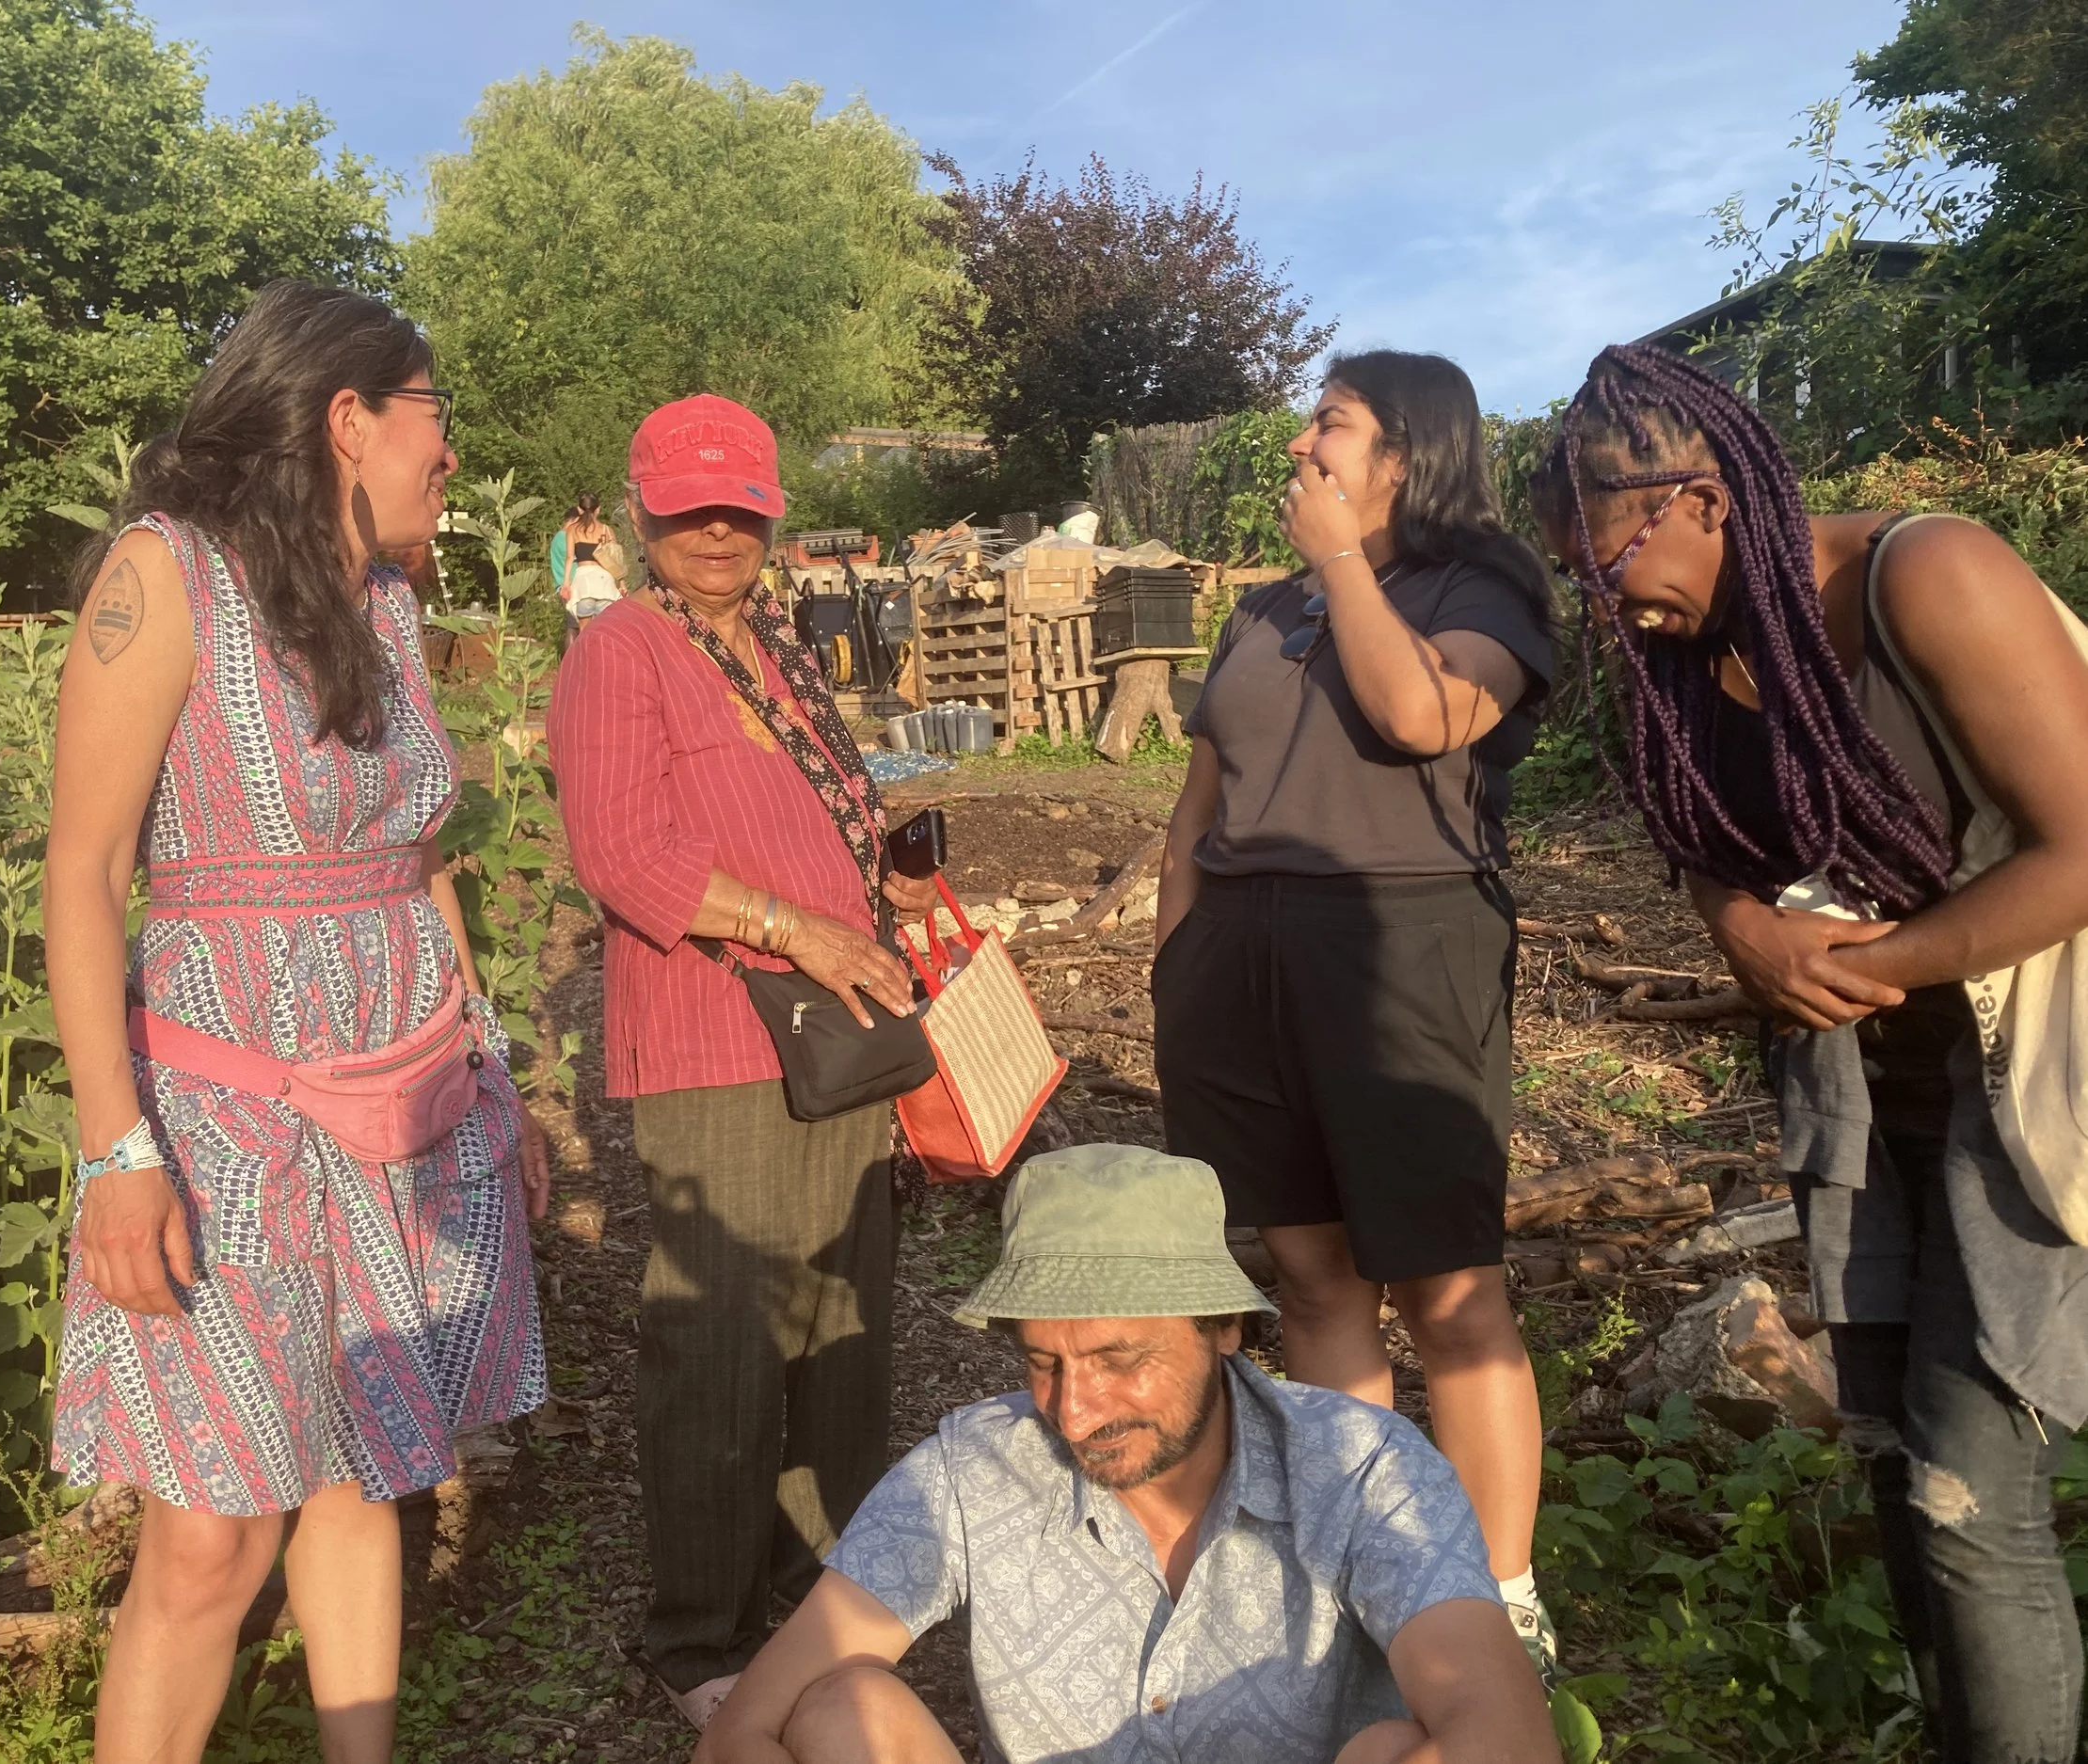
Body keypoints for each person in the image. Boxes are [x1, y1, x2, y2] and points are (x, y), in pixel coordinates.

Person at [1531, 341, 2088, 1764]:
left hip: (2030, 1072)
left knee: (1973, 1494)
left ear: (1703, 499)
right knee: (1897, 1456)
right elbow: (1704, 841)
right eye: (1583, 582)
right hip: (1868, 1087)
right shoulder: (1695, 644)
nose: (1609, 608)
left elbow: (2080, 849)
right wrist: (1737, 925)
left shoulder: (1928, 578)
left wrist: (1861, 966)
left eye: (1612, 564)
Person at [44, 280, 552, 1764]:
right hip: (226, 1114)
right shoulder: (165, 573)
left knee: (365, 1461)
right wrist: (114, 1151)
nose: (449, 452)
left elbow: (420, 856)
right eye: (434, 414)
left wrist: (489, 1068)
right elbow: (84, 869)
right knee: (209, 1532)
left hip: (405, 1095)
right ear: (348, 417)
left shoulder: (383, 596)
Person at [1151, 350, 1558, 1664]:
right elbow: (1197, 811)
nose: (1298, 445)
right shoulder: (1260, 609)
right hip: (1241, 954)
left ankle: (1500, 1602)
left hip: (1402, 945)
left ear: (1407, 452)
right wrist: (1177, 966)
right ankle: (1370, 1570)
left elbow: (1423, 714)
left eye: (1328, 423)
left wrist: (1341, 563)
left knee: (1447, 1288)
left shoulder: (1481, 586)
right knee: (1316, 1276)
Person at [698, 1144, 1561, 1764]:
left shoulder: (1359, 1466)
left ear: (1225, 1327)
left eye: (1120, 1358)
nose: (1075, 1412)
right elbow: (744, 1728)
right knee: (843, 1708)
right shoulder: (973, 1471)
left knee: (1395, 1749)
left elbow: (1509, 1735)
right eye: (1044, 1362)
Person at [544, 392, 939, 1731]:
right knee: (723, 1333)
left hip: (830, 1032)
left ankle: (815, 1590)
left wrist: (881, 881)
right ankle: (698, 1632)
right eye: (688, 509)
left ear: (771, 514)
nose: (717, 531)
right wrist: (798, 926)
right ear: (642, 513)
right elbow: (623, 854)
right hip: (721, 1033)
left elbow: (798, 810)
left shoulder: (773, 646)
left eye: (740, 508)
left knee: (837, 1321)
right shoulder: (622, 652)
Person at [550, 490, 618, 604]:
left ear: (579, 509)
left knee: (583, 614)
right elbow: (616, 559)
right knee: (606, 614)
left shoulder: (572, 531)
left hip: (583, 582)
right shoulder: (607, 530)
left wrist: (565, 583)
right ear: (598, 509)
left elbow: (569, 558)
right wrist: (621, 583)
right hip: (604, 581)